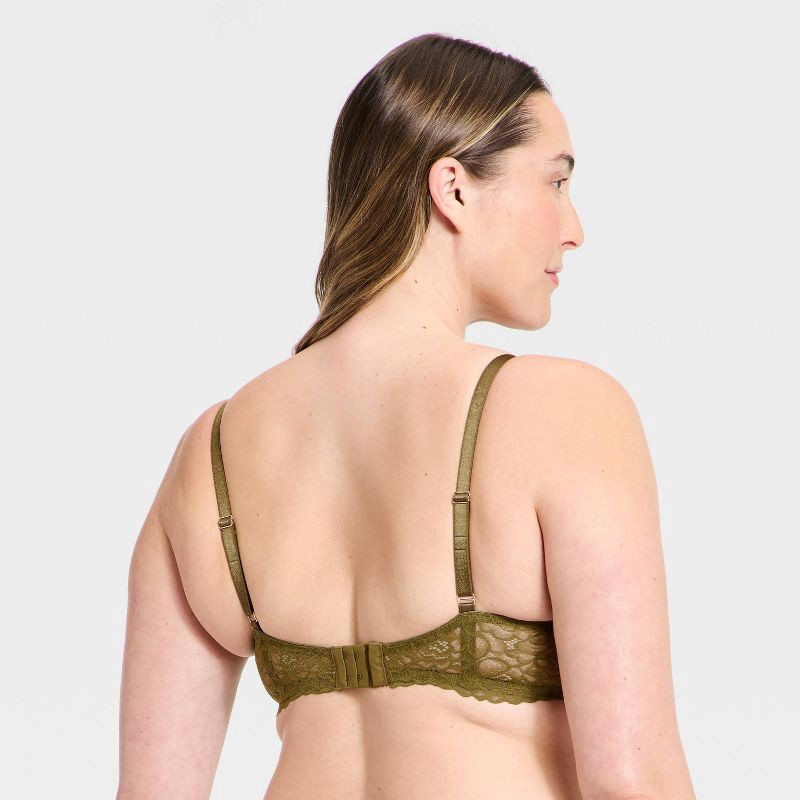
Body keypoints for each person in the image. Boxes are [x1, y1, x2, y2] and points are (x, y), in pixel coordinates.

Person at [117, 32, 695, 800]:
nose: (574, 227)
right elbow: (631, 779)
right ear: (453, 188)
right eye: (556, 182)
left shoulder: (211, 453)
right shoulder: (564, 411)